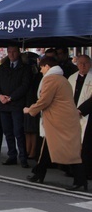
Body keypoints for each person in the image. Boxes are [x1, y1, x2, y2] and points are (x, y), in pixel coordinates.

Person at [24, 56, 87, 191]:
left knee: (70, 152)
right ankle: (39, 173)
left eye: (41, 67)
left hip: (60, 122)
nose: (40, 70)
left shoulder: (51, 79)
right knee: (48, 148)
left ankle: (80, 179)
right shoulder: (62, 79)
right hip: (61, 121)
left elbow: (44, 100)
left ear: (47, 66)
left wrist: (30, 110)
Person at [0, 46, 31, 167]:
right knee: (7, 131)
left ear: (18, 53)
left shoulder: (24, 68)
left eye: (14, 52)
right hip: (3, 104)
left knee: (18, 131)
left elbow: (25, 85)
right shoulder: (3, 67)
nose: (11, 54)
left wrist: (11, 97)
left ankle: (23, 157)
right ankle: (12, 155)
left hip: (16, 104)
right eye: (9, 52)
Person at [70, 55, 92, 180]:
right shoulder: (72, 78)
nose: (83, 66)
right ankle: (74, 171)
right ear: (77, 64)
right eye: (80, 63)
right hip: (72, 116)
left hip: (88, 116)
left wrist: (81, 110)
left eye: (85, 63)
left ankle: (86, 172)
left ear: (90, 64)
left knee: (86, 146)